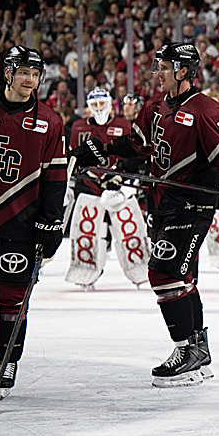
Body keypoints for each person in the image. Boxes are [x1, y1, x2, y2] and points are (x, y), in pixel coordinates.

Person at [71, 43, 219, 387]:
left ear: (184, 71)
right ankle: (198, 352)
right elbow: (136, 145)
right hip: (161, 203)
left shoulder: (206, 110)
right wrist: (103, 150)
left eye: (165, 67)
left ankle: (185, 350)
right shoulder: (154, 106)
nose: (158, 73)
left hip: (192, 205)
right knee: (184, 278)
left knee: (161, 273)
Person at [0, 46, 66, 399]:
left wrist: (51, 221)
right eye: (24, 72)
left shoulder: (50, 121)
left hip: (22, 222)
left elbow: (56, 177)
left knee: (13, 299)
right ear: (8, 73)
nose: (30, 80)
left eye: (35, 74)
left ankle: (8, 360)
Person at [66, 87, 144, 290]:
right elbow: (73, 158)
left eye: (102, 104)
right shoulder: (78, 127)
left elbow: (134, 156)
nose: (99, 108)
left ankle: (139, 267)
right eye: (95, 104)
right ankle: (85, 269)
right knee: (88, 230)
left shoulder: (124, 125)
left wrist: (122, 180)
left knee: (129, 228)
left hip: (117, 186)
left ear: (110, 105)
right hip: (88, 187)